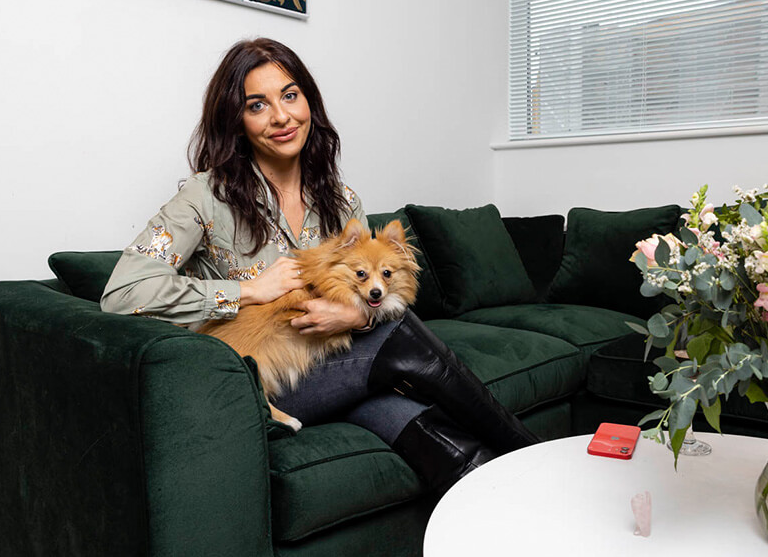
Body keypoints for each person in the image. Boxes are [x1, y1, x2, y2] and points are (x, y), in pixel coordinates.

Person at [101, 38, 538, 492]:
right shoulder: (205, 197)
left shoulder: (342, 201)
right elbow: (121, 294)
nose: (282, 116)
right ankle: (532, 451)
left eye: (291, 95)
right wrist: (248, 291)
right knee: (401, 332)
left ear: (309, 101)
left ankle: (528, 496)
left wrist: (357, 313)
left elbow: (374, 288)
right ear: (236, 121)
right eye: (257, 105)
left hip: (333, 368)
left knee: (437, 438)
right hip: (257, 379)